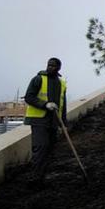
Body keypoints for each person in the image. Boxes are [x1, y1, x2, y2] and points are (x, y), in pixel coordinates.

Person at [24, 57, 67, 186]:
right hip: (39, 120)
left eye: (54, 66)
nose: (50, 67)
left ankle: (42, 176)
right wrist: (45, 104)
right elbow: (29, 97)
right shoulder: (38, 79)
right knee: (41, 147)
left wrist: (63, 122)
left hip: (53, 121)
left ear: (59, 68)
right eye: (49, 65)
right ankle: (35, 178)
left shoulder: (62, 83)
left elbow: (62, 104)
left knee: (50, 149)